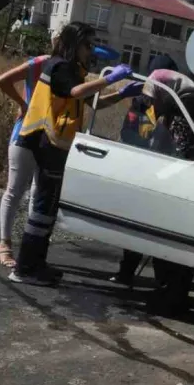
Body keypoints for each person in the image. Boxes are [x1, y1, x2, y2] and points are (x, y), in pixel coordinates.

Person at [9, 21, 143, 286]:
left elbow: (88, 101)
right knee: (42, 209)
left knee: (48, 208)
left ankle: (37, 264)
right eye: (87, 45)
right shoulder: (59, 67)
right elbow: (76, 92)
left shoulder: (72, 70)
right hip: (46, 142)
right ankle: (25, 268)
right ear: (74, 44)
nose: (90, 51)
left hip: (56, 145)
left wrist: (119, 94)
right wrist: (109, 78)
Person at [109, 55, 194, 287]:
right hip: (150, 168)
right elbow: (130, 134)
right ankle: (131, 272)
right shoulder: (147, 105)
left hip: (169, 175)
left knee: (158, 230)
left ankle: (162, 283)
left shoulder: (182, 107)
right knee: (142, 226)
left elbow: (186, 149)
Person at [0, 36, 56, 267]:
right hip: (26, 134)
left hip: (50, 139)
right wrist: (22, 103)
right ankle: (4, 244)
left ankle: (28, 249)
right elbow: (2, 81)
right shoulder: (39, 63)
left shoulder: (68, 71)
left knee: (37, 194)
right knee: (15, 190)